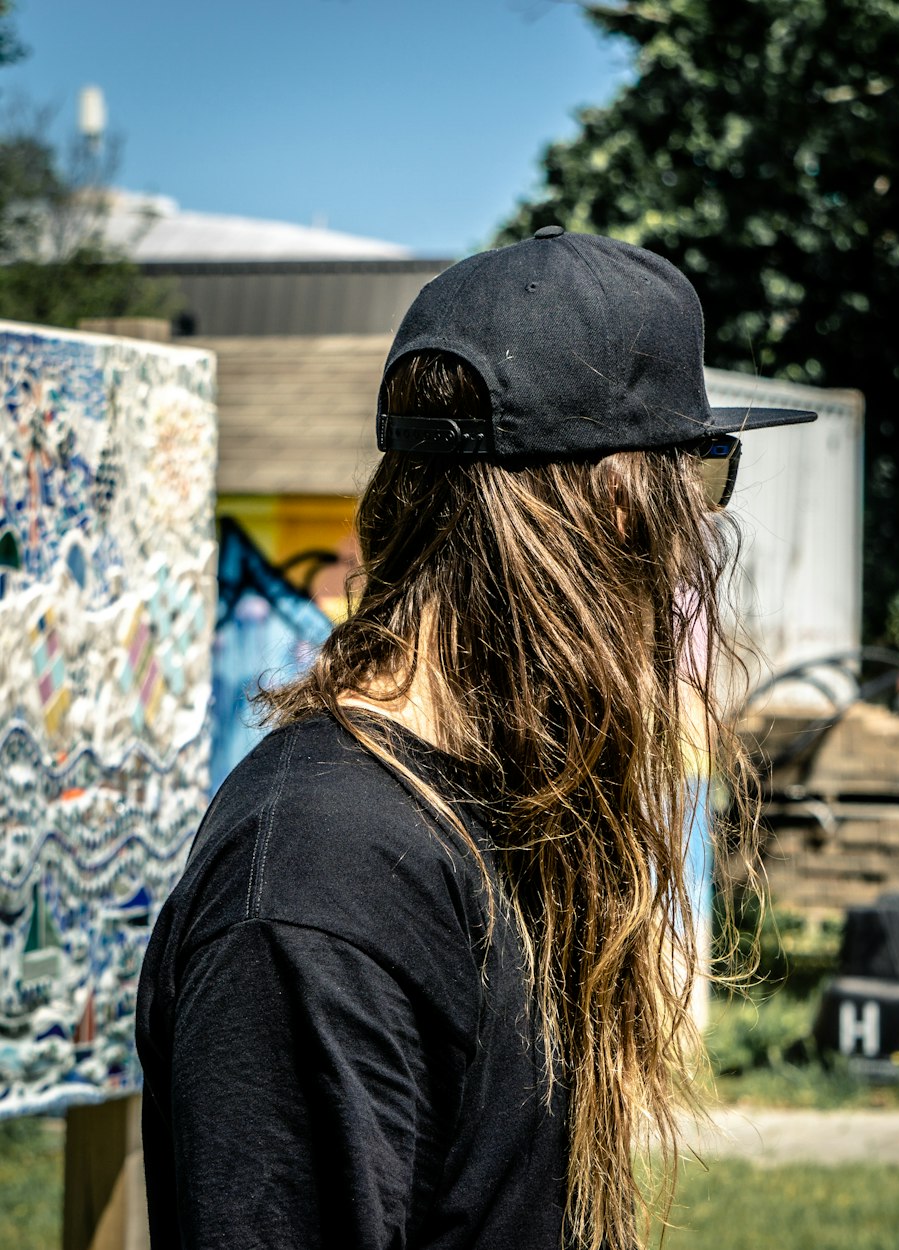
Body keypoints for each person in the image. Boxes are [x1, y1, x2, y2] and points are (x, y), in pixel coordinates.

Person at [136, 226, 816, 1250]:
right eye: (696, 479)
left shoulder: (476, 802)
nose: (692, 543)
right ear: (617, 506)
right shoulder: (322, 882)